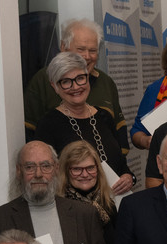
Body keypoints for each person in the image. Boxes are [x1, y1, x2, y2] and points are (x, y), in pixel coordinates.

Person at [35, 52, 133, 195]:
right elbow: (47, 176)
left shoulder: (104, 116)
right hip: (75, 211)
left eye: (80, 78)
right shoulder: (48, 125)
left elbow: (120, 163)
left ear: (88, 79)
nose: (75, 87)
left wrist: (128, 177)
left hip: (115, 206)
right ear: (54, 86)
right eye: (66, 81)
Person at [24, 19, 124, 143]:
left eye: (92, 50)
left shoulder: (106, 82)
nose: (87, 56)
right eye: (81, 49)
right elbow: (29, 133)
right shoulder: (43, 79)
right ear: (63, 48)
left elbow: (119, 133)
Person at [57, 140, 117, 244]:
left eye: (90, 168)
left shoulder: (107, 203)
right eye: (76, 169)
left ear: (97, 169)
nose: (85, 174)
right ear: (65, 171)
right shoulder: (58, 208)